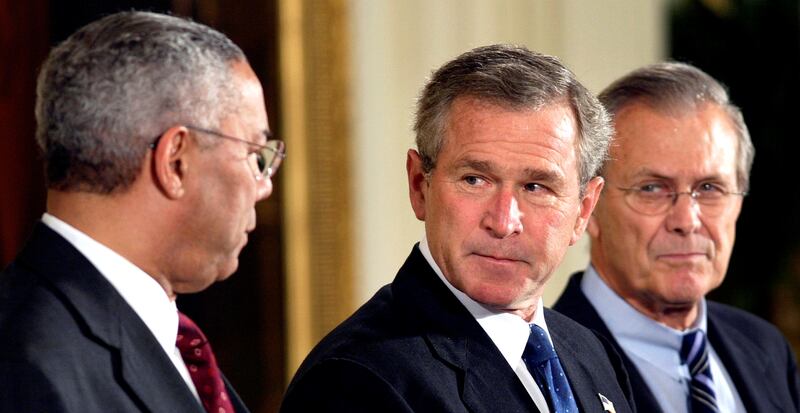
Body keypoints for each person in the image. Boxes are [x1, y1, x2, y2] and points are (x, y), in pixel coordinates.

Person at [280, 44, 633, 413]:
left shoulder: (594, 354)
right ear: (420, 185)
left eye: (536, 187)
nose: (503, 222)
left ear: (583, 210)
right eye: (475, 180)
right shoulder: (355, 382)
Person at [0, 11, 284, 413]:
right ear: (176, 161)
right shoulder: (28, 368)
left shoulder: (172, 343)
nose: (264, 185)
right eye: (254, 153)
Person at [553, 62, 800, 412]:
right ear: (589, 208)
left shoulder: (765, 349)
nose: (686, 220)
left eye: (710, 188)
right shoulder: (546, 367)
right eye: (652, 188)